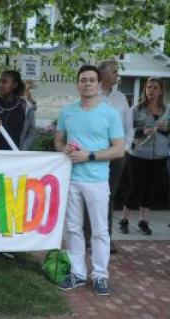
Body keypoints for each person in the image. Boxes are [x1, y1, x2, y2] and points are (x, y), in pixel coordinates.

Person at [55, 65, 124, 296]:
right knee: (73, 229)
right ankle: (77, 273)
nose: (87, 83)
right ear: (77, 84)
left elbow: (119, 150)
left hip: (97, 180)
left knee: (99, 230)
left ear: (98, 84)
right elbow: (58, 141)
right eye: (83, 80)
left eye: (91, 80)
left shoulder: (110, 113)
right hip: (72, 179)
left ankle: (100, 276)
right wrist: (64, 148)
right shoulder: (67, 112)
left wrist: (90, 155)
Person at [83, 61, 132, 254]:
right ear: (102, 74)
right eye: (114, 71)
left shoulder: (120, 98)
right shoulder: (91, 96)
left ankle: (106, 239)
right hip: (96, 155)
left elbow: (129, 127)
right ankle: (88, 237)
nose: (117, 74)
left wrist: (126, 147)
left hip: (117, 155)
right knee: (92, 194)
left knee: (108, 197)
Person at [119, 78, 169, 235]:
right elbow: (126, 131)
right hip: (138, 155)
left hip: (159, 156)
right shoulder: (136, 109)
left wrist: (167, 128)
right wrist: (143, 131)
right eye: (149, 87)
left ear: (160, 90)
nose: (151, 90)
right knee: (135, 188)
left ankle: (143, 221)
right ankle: (124, 220)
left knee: (150, 190)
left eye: (155, 88)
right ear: (145, 90)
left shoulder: (167, 110)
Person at [0, 70, 36, 151]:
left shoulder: (26, 108)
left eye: (4, 82)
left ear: (15, 85)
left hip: (13, 159)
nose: (0, 85)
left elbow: (31, 133)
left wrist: (21, 153)